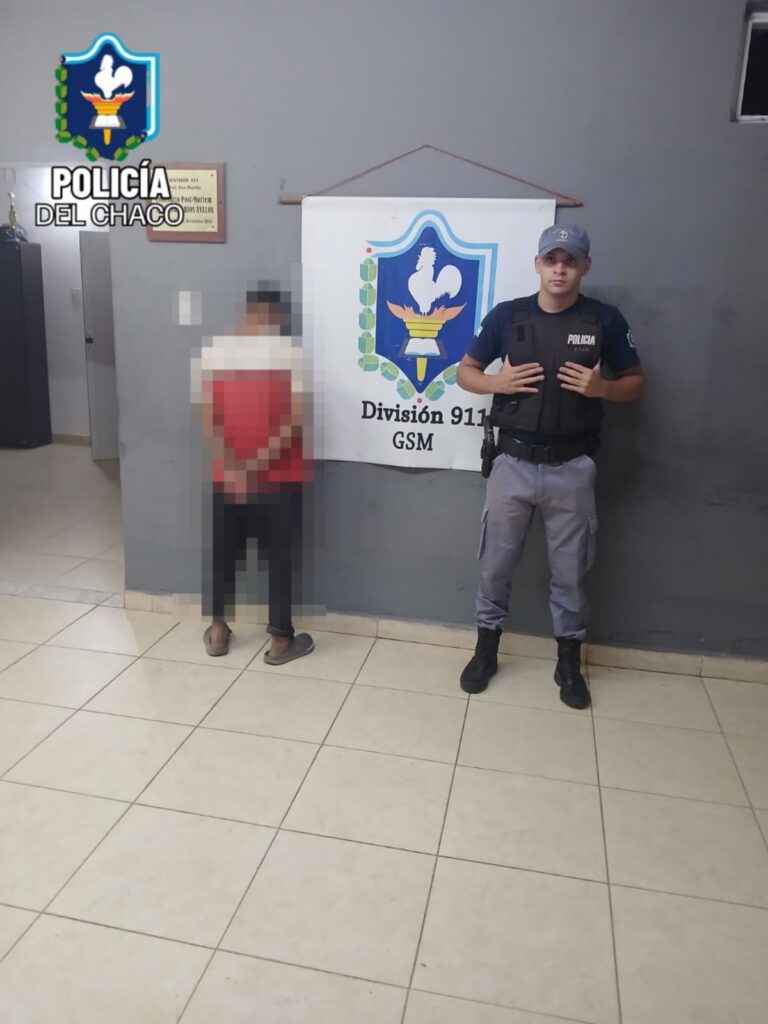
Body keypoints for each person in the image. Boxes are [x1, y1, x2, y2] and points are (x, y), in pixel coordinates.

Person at [457, 225, 644, 707]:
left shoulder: (603, 319)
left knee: (572, 571)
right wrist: (496, 383)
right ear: (538, 264)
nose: (560, 269)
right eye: (552, 259)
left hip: (573, 466)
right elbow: (465, 372)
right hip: (512, 462)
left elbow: (635, 381)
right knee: (495, 565)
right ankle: (485, 650)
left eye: (570, 260)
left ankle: (568, 663)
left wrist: (603, 388)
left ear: (585, 266)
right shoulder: (507, 316)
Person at [195, 286, 313, 664]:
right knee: (278, 558)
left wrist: (236, 467)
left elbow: (209, 420)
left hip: (229, 476)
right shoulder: (292, 357)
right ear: (278, 319)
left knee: (223, 553)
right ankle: (280, 642)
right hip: (278, 478)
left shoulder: (217, 354)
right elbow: (294, 423)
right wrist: (256, 466)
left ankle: (218, 631)